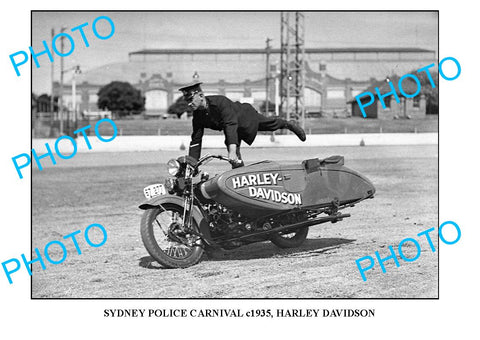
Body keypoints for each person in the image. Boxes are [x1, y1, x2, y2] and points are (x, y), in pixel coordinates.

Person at [179, 81, 306, 168]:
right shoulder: (197, 116)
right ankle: (239, 174)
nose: (189, 104)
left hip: (244, 117)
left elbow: (230, 125)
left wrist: (232, 152)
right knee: (233, 151)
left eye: (190, 99)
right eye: (187, 101)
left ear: (201, 95)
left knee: (269, 124)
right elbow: (196, 140)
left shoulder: (220, 102)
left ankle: (289, 124)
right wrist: (192, 164)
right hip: (232, 130)